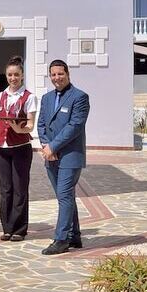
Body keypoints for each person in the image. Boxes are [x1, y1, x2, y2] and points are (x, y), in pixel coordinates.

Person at [38, 60, 90, 255]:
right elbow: (41, 124)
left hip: (70, 156)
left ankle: (61, 239)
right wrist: (46, 146)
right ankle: (74, 235)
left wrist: (53, 146)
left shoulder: (80, 97)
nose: (57, 78)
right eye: (53, 74)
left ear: (68, 74)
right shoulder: (46, 98)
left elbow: (74, 126)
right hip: (50, 156)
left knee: (65, 196)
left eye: (60, 74)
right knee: (64, 196)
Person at [0, 56, 37, 242]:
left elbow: (30, 126)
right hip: (2, 148)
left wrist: (18, 129)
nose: (13, 78)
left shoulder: (29, 97)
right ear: (6, 75)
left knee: (20, 189)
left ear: (22, 75)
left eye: (16, 75)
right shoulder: (1, 96)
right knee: (6, 189)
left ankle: (19, 229)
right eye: (10, 75)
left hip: (21, 148)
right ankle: (7, 228)